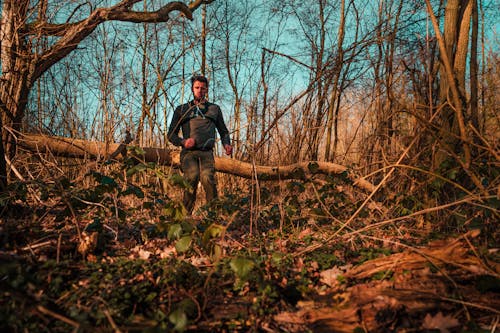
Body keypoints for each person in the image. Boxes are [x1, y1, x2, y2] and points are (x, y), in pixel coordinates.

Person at [167, 75, 233, 214]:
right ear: (192, 89)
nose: (199, 91)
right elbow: (171, 134)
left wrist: (226, 144)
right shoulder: (182, 109)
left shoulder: (214, 109)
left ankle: (213, 216)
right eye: (197, 88)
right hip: (188, 153)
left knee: (207, 178)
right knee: (192, 176)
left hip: (207, 152)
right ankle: (185, 217)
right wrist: (183, 141)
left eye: (203, 88)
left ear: (207, 90)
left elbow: (223, 131)